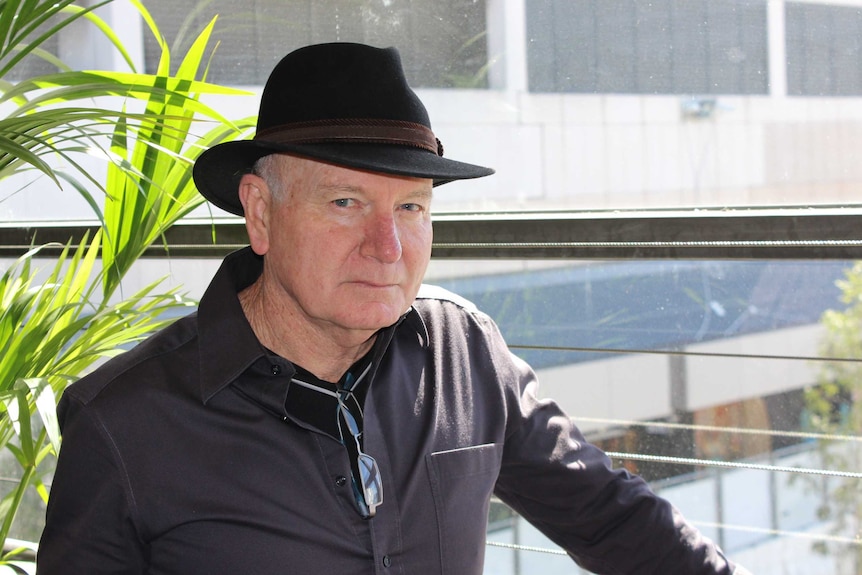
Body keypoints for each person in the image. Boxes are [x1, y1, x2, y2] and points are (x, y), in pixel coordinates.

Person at [37, 43, 751, 574]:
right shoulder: (124, 424)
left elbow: (612, 515)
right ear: (260, 211)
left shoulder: (465, 353)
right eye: (346, 202)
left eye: (411, 206)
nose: (388, 245)